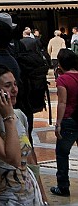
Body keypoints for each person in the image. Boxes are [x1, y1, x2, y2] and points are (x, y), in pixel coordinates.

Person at [0, 64, 45, 205]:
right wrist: (8, 117)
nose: (14, 90)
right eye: (7, 85)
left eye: (15, 84)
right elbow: (13, 159)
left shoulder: (19, 116)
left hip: (29, 197)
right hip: (2, 199)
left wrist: (43, 197)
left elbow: (29, 161)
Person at [52, 47, 78, 197]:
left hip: (69, 119)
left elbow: (62, 102)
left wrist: (58, 123)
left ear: (61, 63)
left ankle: (63, 186)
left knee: (62, 154)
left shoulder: (63, 79)